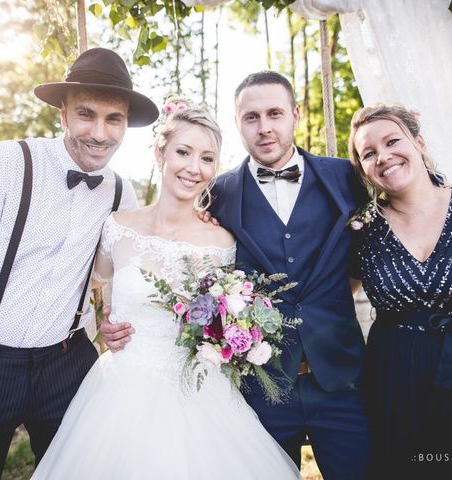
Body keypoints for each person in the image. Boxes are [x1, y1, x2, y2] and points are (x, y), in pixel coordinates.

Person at [102, 72, 371, 479]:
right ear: (238, 122)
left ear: (295, 115)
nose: (264, 127)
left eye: (275, 113)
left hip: (340, 379)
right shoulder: (219, 195)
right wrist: (111, 318)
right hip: (261, 388)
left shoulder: (345, 177)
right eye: (251, 117)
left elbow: (371, 247)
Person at [0, 47, 159, 479]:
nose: (99, 133)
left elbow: (122, 271)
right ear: (62, 114)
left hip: (68, 362)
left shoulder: (122, 191)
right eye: (86, 114)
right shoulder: (7, 164)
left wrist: (116, 317)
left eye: (113, 119)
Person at [31, 100, 300, 479]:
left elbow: (227, 312)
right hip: (119, 394)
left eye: (207, 158)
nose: (194, 167)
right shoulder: (116, 227)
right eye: (183, 152)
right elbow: (97, 290)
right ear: (161, 154)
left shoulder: (222, 242)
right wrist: (106, 325)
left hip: (200, 395)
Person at [347, 103, 452, 478]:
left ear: (419, 142)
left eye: (393, 141)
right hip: (398, 378)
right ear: (363, 168)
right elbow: (331, 299)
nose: (384, 157)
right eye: (369, 153)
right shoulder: (363, 232)